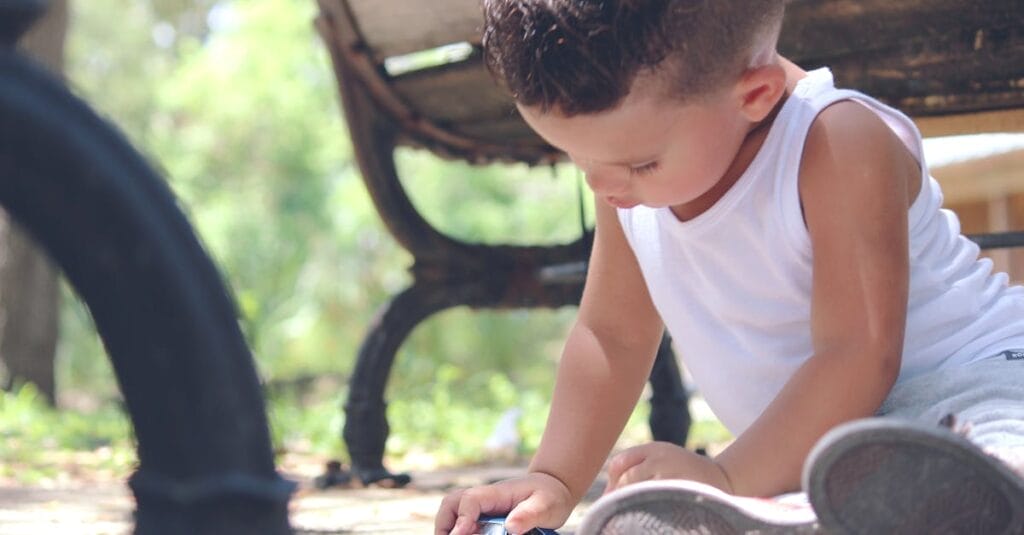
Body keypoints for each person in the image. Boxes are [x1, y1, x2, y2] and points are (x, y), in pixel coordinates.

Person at [435, 1, 1024, 534]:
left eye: (638, 162)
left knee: (996, 447)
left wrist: (726, 480)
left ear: (756, 94)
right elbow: (611, 335)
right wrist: (555, 479)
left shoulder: (836, 140)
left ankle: (974, 488)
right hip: (824, 448)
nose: (600, 183)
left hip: (975, 382)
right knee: (653, 520)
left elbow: (858, 353)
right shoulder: (628, 179)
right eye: (576, 157)